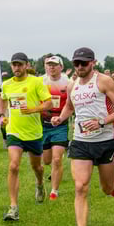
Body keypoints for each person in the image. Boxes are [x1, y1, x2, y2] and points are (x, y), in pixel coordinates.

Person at [52, 47, 114, 226]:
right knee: (80, 186)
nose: (79, 67)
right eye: (76, 63)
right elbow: (69, 106)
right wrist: (61, 118)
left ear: (93, 62)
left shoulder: (104, 81)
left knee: (107, 188)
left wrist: (102, 122)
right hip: (80, 142)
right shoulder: (72, 85)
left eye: (84, 63)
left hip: (104, 141)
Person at [0, 53, 52, 221]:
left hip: (34, 133)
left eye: (19, 64)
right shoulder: (6, 84)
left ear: (26, 65)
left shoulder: (36, 82)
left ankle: (40, 184)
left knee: (37, 167)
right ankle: (13, 207)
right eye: (14, 64)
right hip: (14, 131)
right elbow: (3, 100)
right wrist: (2, 115)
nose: (16, 67)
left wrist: (33, 109)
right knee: (13, 166)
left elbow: (49, 103)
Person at [41, 55, 71, 200]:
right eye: (49, 65)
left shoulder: (68, 82)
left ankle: (54, 191)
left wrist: (61, 118)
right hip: (43, 124)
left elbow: (72, 104)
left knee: (57, 159)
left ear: (61, 67)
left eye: (54, 65)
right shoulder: (40, 81)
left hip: (60, 124)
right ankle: (51, 167)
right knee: (46, 160)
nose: (51, 67)